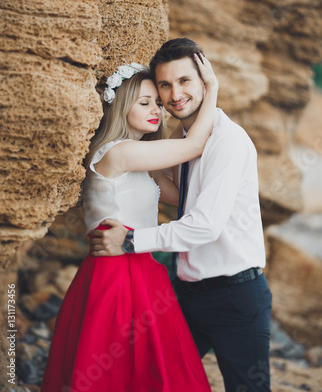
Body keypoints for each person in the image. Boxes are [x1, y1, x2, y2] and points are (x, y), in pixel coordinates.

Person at [90, 38, 272, 392]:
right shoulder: (188, 136)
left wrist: (129, 241)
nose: (175, 94)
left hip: (235, 295)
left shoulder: (226, 142)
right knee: (157, 379)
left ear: (205, 81)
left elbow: (204, 225)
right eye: (165, 85)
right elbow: (180, 195)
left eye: (185, 81)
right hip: (187, 294)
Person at [41, 56, 218, 392]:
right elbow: (194, 146)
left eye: (157, 103)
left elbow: (181, 196)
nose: (157, 110)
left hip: (140, 267)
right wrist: (211, 90)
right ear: (122, 107)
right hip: (117, 273)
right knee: (119, 372)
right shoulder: (117, 153)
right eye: (145, 102)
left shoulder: (135, 159)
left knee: (147, 369)